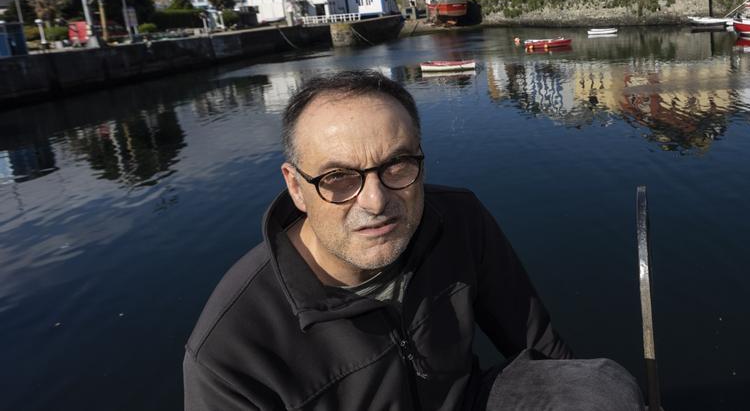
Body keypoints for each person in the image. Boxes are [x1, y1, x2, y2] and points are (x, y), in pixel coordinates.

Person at [184, 70, 642, 410]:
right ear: (296, 187)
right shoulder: (230, 348)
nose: (376, 200)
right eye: (339, 177)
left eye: (397, 165)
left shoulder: (457, 220)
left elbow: (539, 348)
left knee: (596, 389)